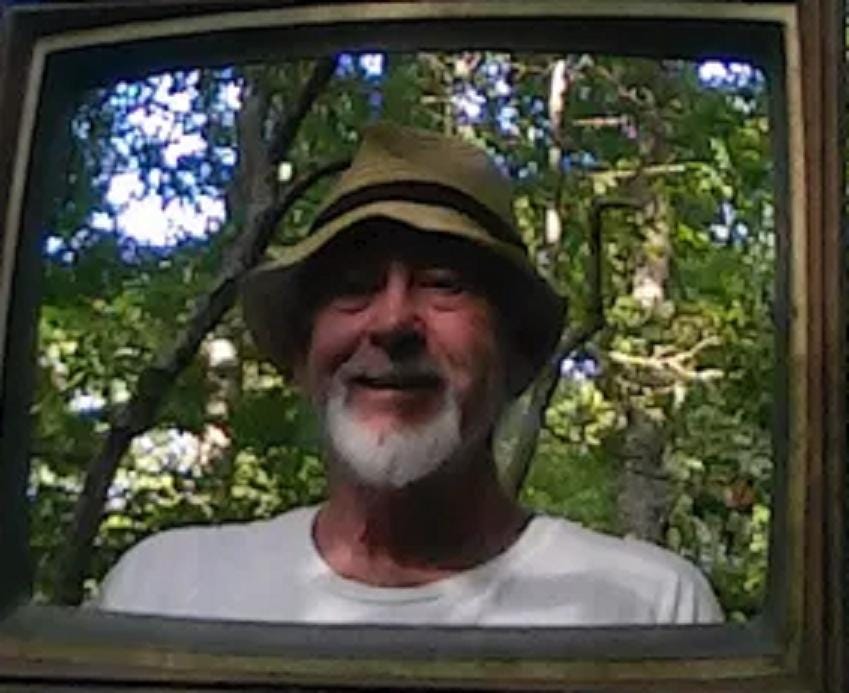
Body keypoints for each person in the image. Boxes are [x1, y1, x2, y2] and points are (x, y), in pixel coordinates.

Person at [96, 123, 723, 625]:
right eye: (354, 286)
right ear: (302, 357)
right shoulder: (163, 593)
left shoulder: (648, 609)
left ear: (515, 353)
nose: (393, 321)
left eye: (443, 283)